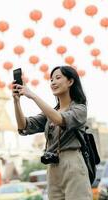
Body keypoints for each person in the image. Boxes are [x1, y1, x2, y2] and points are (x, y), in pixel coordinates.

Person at [12, 66, 92, 200]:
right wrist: (16, 102)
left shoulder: (80, 109)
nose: (53, 82)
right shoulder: (49, 113)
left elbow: (60, 119)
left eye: (58, 78)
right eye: (51, 79)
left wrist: (33, 95)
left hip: (72, 162)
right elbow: (24, 126)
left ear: (70, 82)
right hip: (52, 165)